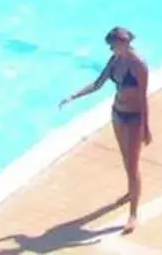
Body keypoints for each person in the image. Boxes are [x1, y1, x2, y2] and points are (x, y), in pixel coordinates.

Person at [60, 25, 152, 232]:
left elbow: (143, 97)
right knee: (126, 160)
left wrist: (146, 127)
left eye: (112, 46)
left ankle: (133, 214)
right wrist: (74, 96)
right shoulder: (115, 61)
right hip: (118, 114)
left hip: (134, 118)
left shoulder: (139, 65)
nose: (111, 50)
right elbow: (97, 83)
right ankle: (131, 192)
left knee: (133, 164)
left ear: (123, 43)